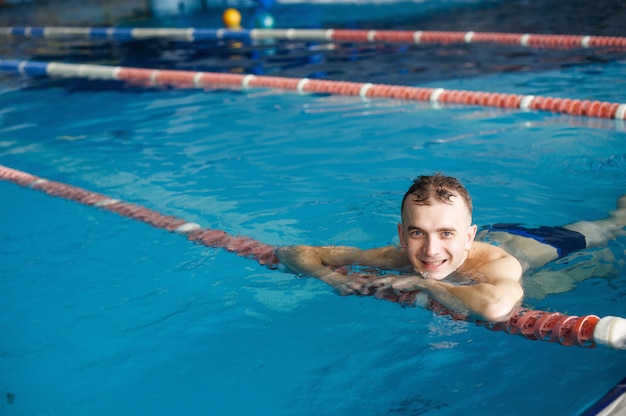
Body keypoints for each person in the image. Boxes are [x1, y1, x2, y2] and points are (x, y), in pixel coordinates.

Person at [276, 173, 626, 323]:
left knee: (612, 226)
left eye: (444, 233)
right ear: (401, 234)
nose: (429, 250)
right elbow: (292, 251)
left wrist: (427, 283)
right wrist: (330, 278)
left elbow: (497, 308)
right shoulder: (394, 256)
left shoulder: (498, 266)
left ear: (468, 236)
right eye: (417, 233)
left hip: (538, 244)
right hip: (478, 234)